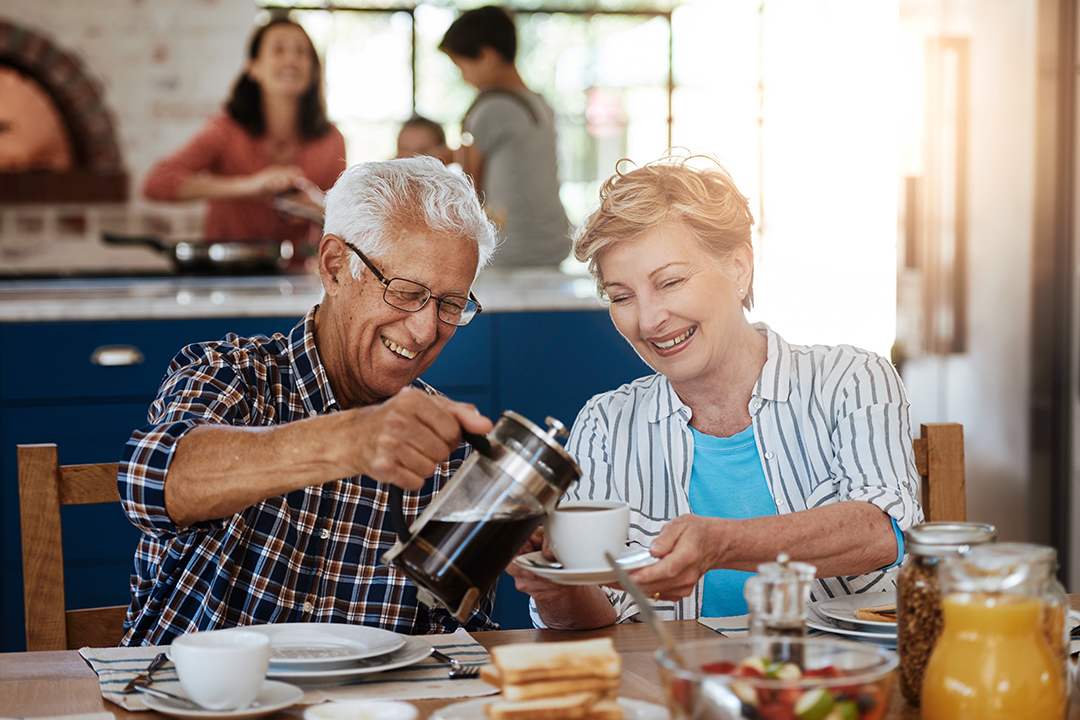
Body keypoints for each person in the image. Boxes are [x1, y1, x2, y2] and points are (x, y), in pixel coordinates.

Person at [509, 155, 923, 629]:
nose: (648, 321)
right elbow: (593, 621)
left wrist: (721, 543)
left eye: (670, 282)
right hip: (669, 690)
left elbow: (884, 531)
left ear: (739, 268)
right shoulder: (606, 423)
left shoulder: (851, 380)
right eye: (621, 296)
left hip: (836, 680)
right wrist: (552, 587)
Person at [118, 157, 499, 646]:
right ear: (335, 267)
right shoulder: (233, 374)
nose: (427, 331)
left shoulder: (453, 450)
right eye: (406, 291)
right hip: (194, 700)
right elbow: (148, 484)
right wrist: (349, 440)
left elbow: (461, 643)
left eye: (450, 304)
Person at [142, 17, 346, 271]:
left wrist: (317, 206)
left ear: (313, 70)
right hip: (222, 274)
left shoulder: (331, 139)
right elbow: (156, 183)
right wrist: (250, 185)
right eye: (279, 50)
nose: (291, 60)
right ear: (254, 67)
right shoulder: (226, 129)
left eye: (302, 52)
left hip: (294, 278)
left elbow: (347, 221)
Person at [439, 5, 570, 268]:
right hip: (554, 244)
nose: (464, 77)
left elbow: (469, 185)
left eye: (462, 66)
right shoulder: (539, 104)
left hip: (509, 251)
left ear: (487, 56)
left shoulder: (490, 107)